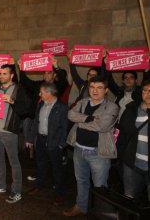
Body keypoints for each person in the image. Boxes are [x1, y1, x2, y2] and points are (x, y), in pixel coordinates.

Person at [63, 77, 119, 217]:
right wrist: (88, 118)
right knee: (81, 181)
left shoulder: (112, 107)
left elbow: (102, 125)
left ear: (106, 90)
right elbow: (70, 114)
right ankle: (81, 206)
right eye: (92, 87)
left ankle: (102, 214)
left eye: (99, 87)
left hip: (98, 153)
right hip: (79, 149)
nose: (95, 90)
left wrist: (80, 119)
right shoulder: (82, 102)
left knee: (100, 186)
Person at [0, 64, 31, 204]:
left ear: (12, 75)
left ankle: (16, 191)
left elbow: (25, 110)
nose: (1, 76)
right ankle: (1, 185)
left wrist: (12, 101)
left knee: (14, 162)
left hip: (9, 131)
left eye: (5, 74)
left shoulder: (18, 89)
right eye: (0, 74)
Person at [25, 82, 68, 206]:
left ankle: (59, 193)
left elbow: (65, 127)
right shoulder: (40, 104)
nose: (40, 94)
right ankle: (39, 185)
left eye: (42, 92)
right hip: (40, 140)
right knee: (40, 165)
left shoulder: (62, 107)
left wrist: (61, 144)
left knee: (57, 169)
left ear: (49, 93)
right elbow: (35, 123)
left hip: (54, 142)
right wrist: (30, 139)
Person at [117, 80, 150, 202]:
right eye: (145, 90)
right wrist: (122, 156)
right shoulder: (131, 110)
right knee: (129, 200)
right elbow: (121, 134)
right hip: (132, 164)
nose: (148, 94)